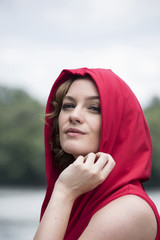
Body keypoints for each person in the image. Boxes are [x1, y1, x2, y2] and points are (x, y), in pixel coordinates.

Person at [34, 68, 160, 240]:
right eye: (68, 105)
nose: (74, 115)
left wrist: (63, 193)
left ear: (120, 126)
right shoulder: (78, 194)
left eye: (94, 108)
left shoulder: (128, 209)